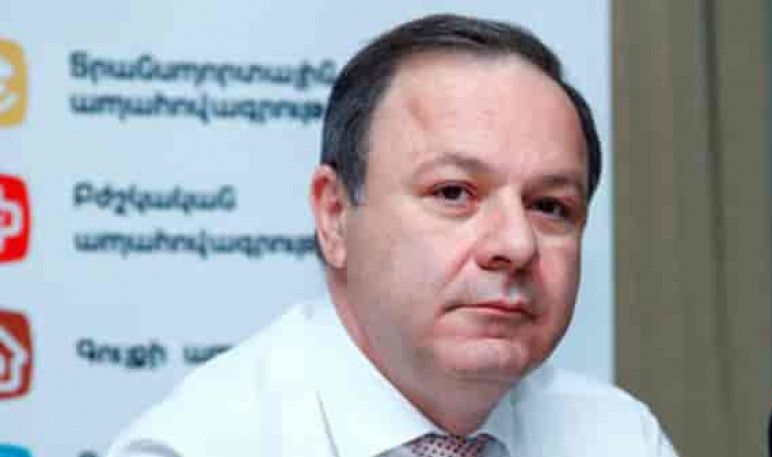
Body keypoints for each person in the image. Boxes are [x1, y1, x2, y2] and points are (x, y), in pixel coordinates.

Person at [108, 14, 678, 457]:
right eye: (453, 192)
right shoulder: (199, 445)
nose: (515, 244)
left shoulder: (617, 437)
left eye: (550, 206)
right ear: (335, 216)